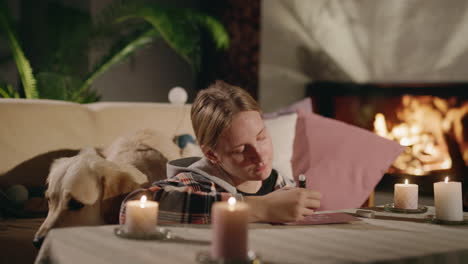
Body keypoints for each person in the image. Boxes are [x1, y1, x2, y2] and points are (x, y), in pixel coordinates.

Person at [120, 80, 321, 224]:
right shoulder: (194, 183)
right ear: (212, 155)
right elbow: (131, 208)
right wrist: (261, 208)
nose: (259, 156)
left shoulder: (281, 185)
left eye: (261, 137)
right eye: (241, 149)